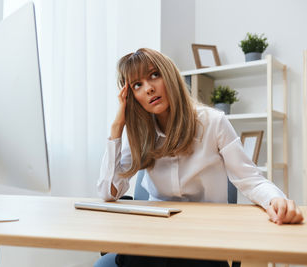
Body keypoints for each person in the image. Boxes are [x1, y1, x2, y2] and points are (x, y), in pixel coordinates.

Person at [95, 48, 304, 267]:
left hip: (205, 238)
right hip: (157, 235)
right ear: (131, 96)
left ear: (170, 75)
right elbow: (108, 192)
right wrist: (117, 127)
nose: (148, 89)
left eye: (154, 75)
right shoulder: (139, 133)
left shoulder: (214, 122)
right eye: (137, 84)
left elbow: (250, 179)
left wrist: (275, 199)